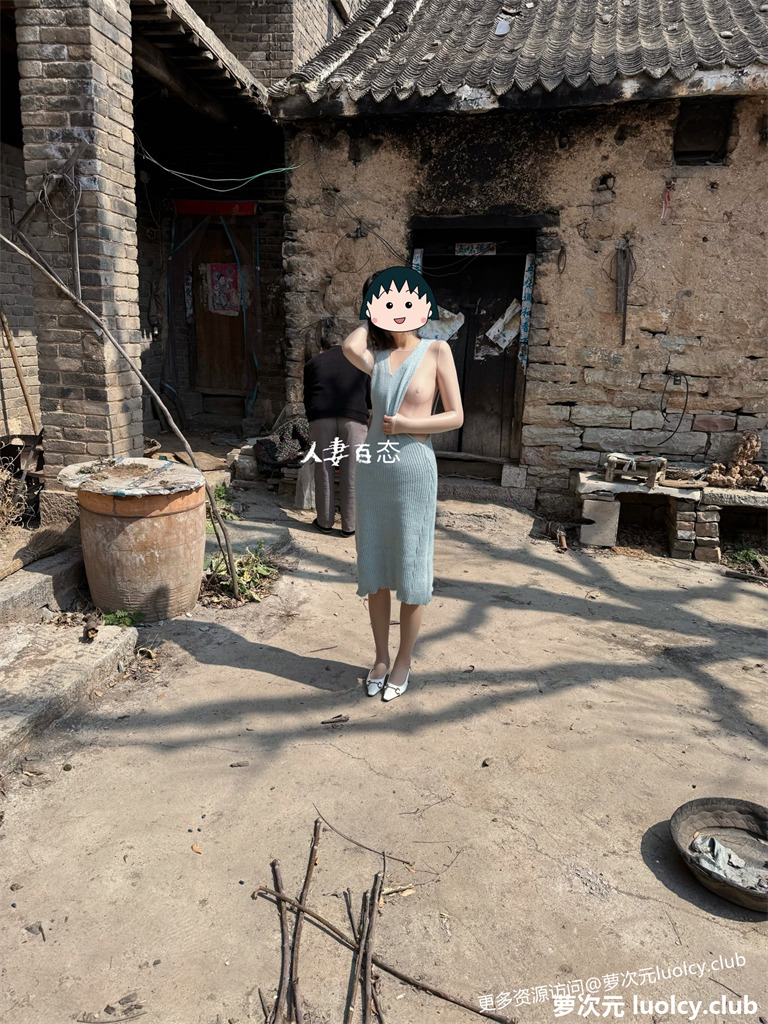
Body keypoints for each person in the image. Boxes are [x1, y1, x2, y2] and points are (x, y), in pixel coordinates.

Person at [341, 267, 463, 702]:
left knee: (411, 568)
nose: (396, 309)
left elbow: (456, 416)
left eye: (404, 300)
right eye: (384, 301)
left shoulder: (437, 351)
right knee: (375, 567)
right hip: (374, 470)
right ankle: (379, 657)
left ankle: (403, 660)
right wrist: (370, 310)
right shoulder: (374, 357)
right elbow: (350, 345)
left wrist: (409, 424)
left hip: (414, 468)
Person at [303, 335, 371, 536]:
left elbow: (307, 395)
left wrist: (312, 416)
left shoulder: (314, 362)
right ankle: (350, 526)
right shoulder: (360, 361)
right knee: (352, 471)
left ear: (323, 347)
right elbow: (369, 396)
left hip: (321, 417)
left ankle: (324, 522)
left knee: (323, 469)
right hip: (353, 418)